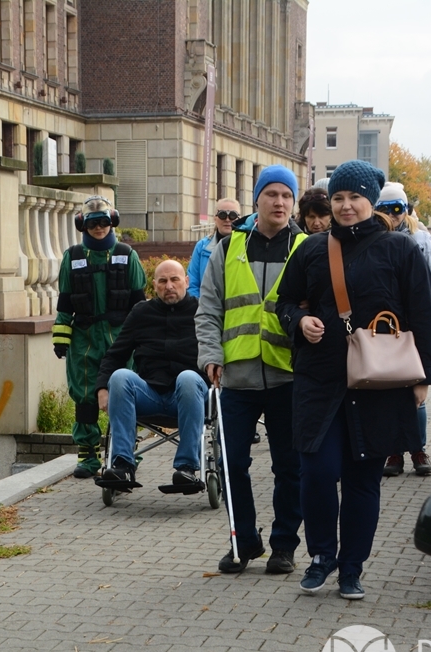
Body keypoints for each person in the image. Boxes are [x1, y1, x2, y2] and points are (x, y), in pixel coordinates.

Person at [276, 159, 431, 600]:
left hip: (379, 382)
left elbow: (423, 314)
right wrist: (300, 321)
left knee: (362, 480)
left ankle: (352, 568)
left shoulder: (400, 249)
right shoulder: (312, 249)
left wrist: (425, 376)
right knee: (317, 472)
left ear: (371, 200)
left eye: (355, 197)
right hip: (320, 379)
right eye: (338, 198)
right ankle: (321, 556)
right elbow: (285, 302)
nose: (346, 206)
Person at [196, 164, 307, 575]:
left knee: (289, 467)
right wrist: (211, 355)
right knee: (231, 465)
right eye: (271, 194)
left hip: (288, 376)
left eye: (287, 196)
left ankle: (284, 546)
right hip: (236, 377)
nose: (279, 202)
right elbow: (209, 308)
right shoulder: (229, 248)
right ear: (257, 199)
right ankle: (243, 542)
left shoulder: (306, 248)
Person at [94, 260, 209, 492]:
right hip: (150, 393)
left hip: (190, 396)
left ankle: (186, 468)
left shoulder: (202, 311)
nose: (169, 286)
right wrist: (102, 388)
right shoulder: (141, 313)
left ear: (186, 281)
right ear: (154, 285)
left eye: (175, 279)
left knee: (187, 378)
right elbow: (115, 355)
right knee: (120, 376)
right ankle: (123, 465)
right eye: (163, 281)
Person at [52, 196, 147, 479]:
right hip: (84, 339)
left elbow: (139, 303)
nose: (98, 228)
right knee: (84, 396)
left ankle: (126, 450)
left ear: (112, 221)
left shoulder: (127, 255)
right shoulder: (72, 257)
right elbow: (65, 303)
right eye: (92, 223)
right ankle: (88, 454)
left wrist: (144, 339)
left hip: (121, 337)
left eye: (104, 222)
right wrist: (61, 337)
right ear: (83, 225)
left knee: (124, 393)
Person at [374, 182, 431, 478]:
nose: (393, 215)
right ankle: (393, 450)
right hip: (383, 329)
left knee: (415, 392)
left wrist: (417, 304)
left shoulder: (420, 238)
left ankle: (418, 448)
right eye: (385, 209)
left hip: (412, 329)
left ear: (406, 209)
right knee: (388, 390)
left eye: (398, 208)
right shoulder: (373, 240)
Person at [188, 199, 241, 298]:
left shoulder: (247, 244)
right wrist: (200, 304)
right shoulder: (202, 247)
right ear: (215, 218)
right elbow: (193, 282)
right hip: (207, 305)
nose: (227, 219)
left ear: (239, 219)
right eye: (222, 215)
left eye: (233, 215)